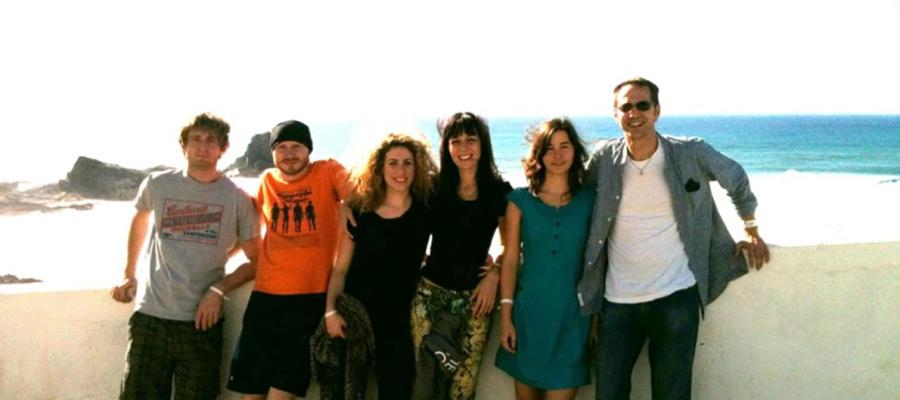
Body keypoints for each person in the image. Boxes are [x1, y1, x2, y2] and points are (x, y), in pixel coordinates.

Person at [577, 77, 771, 400]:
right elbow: (573, 195)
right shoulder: (604, 159)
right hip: (617, 303)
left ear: (656, 111)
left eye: (642, 105)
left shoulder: (689, 153)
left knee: (673, 396)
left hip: (675, 298)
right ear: (615, 114)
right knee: (609, 393)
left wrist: (750, 228)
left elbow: (734, 177)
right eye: (626, 107)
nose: (634, 113)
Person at [111, 112, 260, 400]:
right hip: (151, 314)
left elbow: (258, 260)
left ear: (222, 149)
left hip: (201, 324)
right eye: (195, 139)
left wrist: (219, 289)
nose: (202, 146)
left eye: (211, 140)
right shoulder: (158, 184)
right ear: (184, 146)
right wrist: (128, 273)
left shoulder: (237, 199)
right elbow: (139, 220)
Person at [227, 120, 350, 400]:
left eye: (297, 146)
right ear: (273, 153)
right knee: (250, 391)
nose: (289, 153)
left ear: (309, 150)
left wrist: (347, 206)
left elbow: (364, 198)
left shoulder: (328, 171)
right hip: (265, 299)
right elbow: (248, 230)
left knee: (282, 393)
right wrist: (217, 262)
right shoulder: (266, 181)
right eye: (281, 147)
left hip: (310, 299)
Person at [324, 132, 438, 399]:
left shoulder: (426, 209)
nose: (401, 170)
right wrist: (330, 311)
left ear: (417, 166)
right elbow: (341, 268)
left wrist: (492, 265)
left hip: (398, 319)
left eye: (408, 163)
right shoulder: (359, 210)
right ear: (379, 167)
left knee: (396, 391)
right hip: (356, 314)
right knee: (347, 393)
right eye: (393, 163)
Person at [410, 112, 512, 399]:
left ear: (483, 145)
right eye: (456, 141)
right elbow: (409, 232)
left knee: (463, 386)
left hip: (476, 301)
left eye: (471, 140)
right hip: (428, 296)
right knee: (425, 382)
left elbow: (511, 245)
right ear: (447, 147)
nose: (464, 148)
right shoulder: (433, 187)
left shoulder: (498, 191)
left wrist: (494, 274)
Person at [495, 118, 594, 400]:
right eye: (549, 148)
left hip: (572, 322)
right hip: (527, 320)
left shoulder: (591, 199)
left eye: (565, 146)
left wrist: (595, 318)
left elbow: (601, 259)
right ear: (538, 155)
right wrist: (506, 319)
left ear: (575, 151)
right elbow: (511, 260)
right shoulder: (519, 201)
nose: (558, 155)